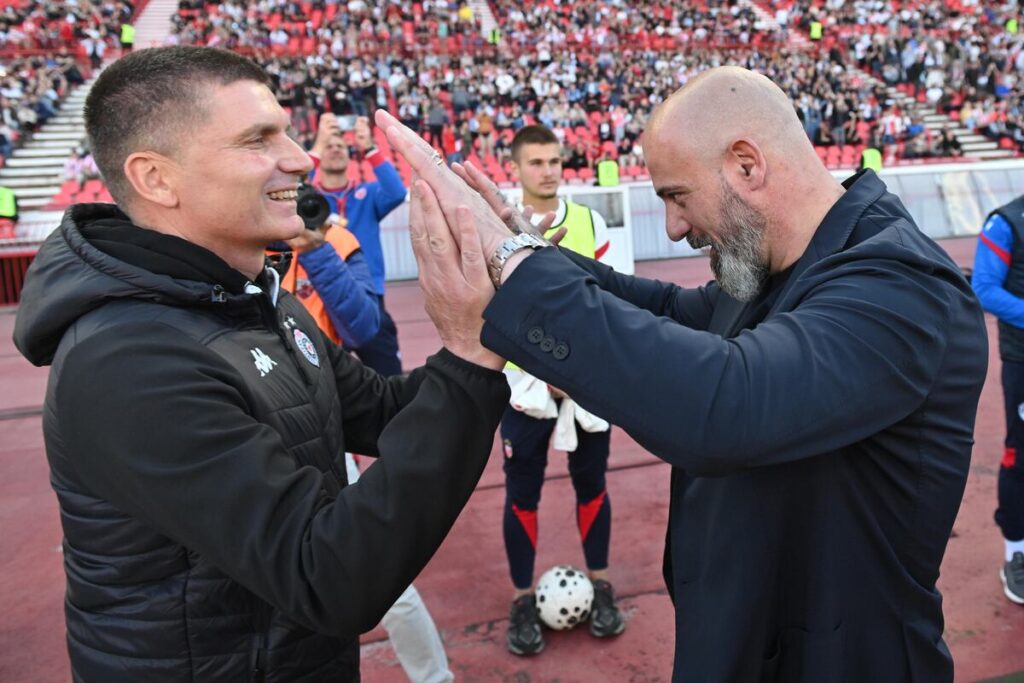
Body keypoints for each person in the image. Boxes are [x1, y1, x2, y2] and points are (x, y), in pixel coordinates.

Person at [379, 64, 989, 681]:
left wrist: (517, 273)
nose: (673, 228)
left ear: (746, 165)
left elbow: (728, 406)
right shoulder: (785, 260)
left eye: (676, 196)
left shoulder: (900, 287)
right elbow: (669, 310)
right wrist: (524, 253)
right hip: (752, 642)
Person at [12, 46, 508, 682]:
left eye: (288, 133)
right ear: (156, 179)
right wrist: (468, 354)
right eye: (258, 139)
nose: (300, 158)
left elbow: (383, 412)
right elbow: (327, 578)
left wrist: (510, 319)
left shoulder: (256, 300)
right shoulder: (126, 360)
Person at [278, 213, 456, 682]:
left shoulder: (336, 239)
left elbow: (362, 327)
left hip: (323, 422)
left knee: (384, 584)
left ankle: (435, 678)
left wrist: (317, 254)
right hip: (273, 444)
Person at [501, 125, 622, 656]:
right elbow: (491, 308)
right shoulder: (498, 224)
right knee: (521, 495)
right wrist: (541, 368)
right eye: (536, 162)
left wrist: (574, 369)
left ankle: (601, 583)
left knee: (592, 485)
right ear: (516, 168)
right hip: (523, 387)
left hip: (586, 385)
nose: (548, 170)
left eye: (554, 160)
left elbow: (613, 302)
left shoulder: (591, 222)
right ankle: (522, 598)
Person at [308, 112, 407, 375]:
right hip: (320, 296)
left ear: (350, 155)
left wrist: (369, 147)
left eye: (341, 146)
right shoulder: (308, 199)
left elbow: (397, 192)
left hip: (368, 294)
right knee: (323, 378)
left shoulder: (368, 193)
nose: (335, 149)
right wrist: (318, 144)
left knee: (388, 376)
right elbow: (290, 186)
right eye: (329, 146)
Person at [972, 194, 1024, 606]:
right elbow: (985, 289)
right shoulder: (1006, 221)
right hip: (1023, 360)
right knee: (1020, 457)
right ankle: (1016, 554)